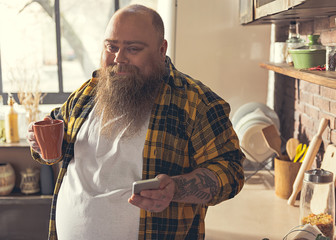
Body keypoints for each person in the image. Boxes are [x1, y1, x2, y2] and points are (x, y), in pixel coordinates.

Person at [27, 4, 245, 240]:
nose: (119, 58)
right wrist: (37, 142)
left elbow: (231, 171)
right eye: (111, 47)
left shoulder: (196, 103)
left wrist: (176, 188)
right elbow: (53, 141)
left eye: (133, 49)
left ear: (161, 49)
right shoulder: (87, 93)